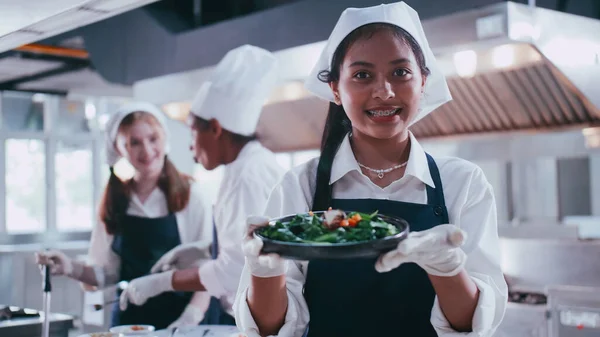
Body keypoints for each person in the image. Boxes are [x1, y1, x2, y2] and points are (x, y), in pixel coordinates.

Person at [234, 2, 508, 337]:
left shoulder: (462, 182)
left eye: (400, 72)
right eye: (362, 75)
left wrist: (447, 268)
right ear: (335, 88)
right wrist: (265, 273)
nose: (384, 91)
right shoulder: (301, 185)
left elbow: (472, 326)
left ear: (423, 82)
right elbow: (270, 329)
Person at [117, 45, 286, 326]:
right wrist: (205, 248)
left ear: (216, 129)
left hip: (263, 319)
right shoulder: (242, 168)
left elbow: (234, 270)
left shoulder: (248, 176)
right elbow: (251, 241)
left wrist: (162, 282)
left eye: (194, 131)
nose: (191, 146)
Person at [35, 102, 213, 330]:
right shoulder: (115, 200)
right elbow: (106, 274)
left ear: (164, 138)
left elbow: (208, 270)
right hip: (129, 324)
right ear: (119, 149)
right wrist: (70, 267)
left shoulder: (191, 195)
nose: (146, 150)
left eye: (152, 138)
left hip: (182, 321)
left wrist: (188, 320)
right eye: (134, 143)